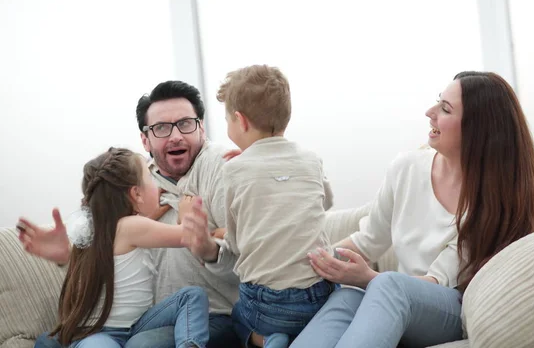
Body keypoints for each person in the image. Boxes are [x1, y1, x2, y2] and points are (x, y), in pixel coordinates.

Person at [289, 71, 534, 348]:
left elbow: (438, 281)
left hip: (448, 308)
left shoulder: (492, 199)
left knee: (388, 285)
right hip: (393, 294)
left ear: (477, 129)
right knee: (347, 297)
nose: (430, 112)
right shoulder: (407, 168)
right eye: (438, 102)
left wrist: (369, 278)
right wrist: (309, 259)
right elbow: (367, 242)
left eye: (445, 109)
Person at [24, 81, 245, 348]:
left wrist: (207, 241)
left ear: (201, 127)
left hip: (209, 314)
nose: (175, 136)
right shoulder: (137, 184)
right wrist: (68, 254)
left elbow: (245, 243)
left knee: (141, 344)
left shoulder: (226, 167)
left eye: (185, 123)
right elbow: (104, 242)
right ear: (145, 139)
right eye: (161, 128)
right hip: (145, 318)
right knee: (48, 342)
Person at [18, 147, 210, 347]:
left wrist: (65, 255)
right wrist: (185, 214)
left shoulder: (99, 229)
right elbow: (188, 236)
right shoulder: (131, 227)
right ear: (136, 194)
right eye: (151, 178)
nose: (157, 185)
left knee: (189, 296)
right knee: (193, 296)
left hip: (136, 326)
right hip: (100, 335)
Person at [204, 65, 335, 347]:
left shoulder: (234, 169)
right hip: (319, 295)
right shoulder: (311, 159)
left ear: (240, 121)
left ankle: (269, 340)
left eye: (227, 120)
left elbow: (236, 243)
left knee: (237, 315)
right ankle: (296, 336)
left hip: (267, 305)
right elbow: (327, 203)